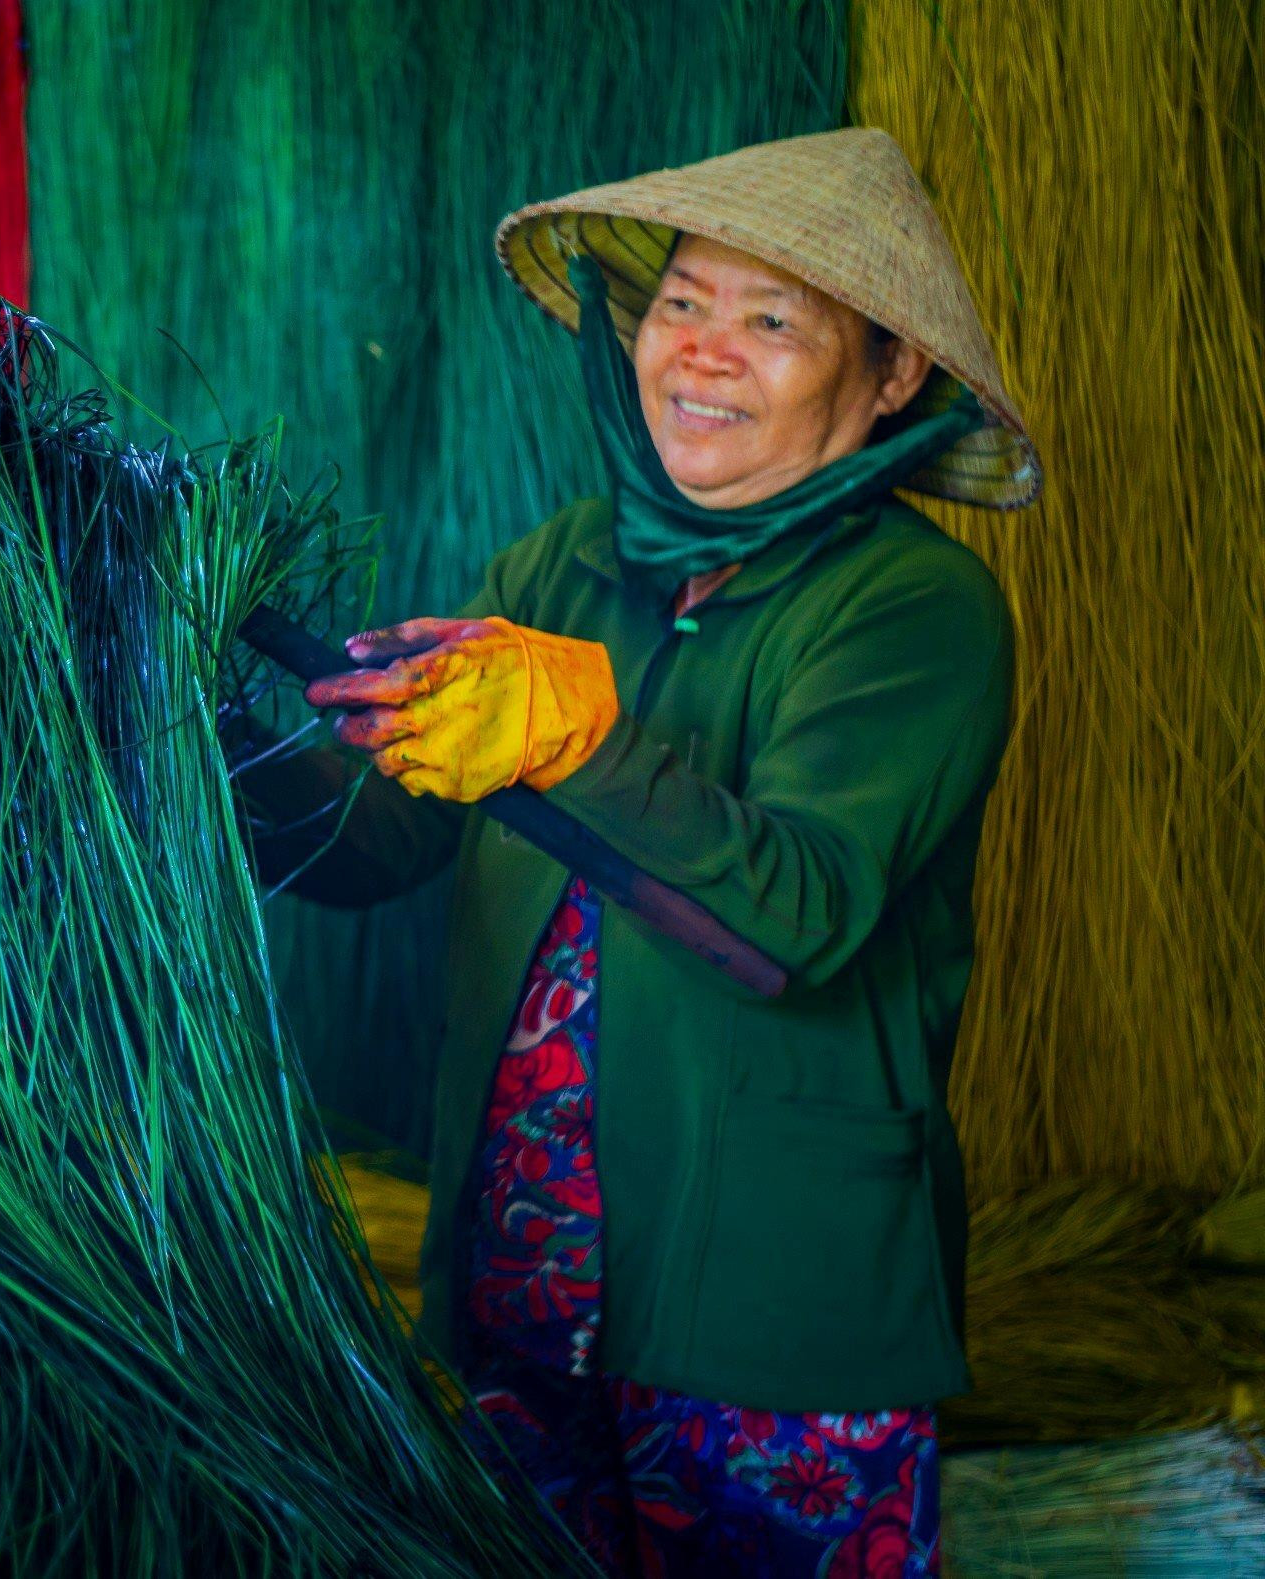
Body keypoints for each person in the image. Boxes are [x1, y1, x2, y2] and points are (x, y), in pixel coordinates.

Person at [246, 128, 1038, 1576]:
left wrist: (572, 744)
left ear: (890, 373)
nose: (705, 353)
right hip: (519, 1279)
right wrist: (177, 755)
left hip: (772, 1319)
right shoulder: (564, 566)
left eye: (773, 320)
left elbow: (792, 915)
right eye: (683, 303)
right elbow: (379, 840)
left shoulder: (915, 613)